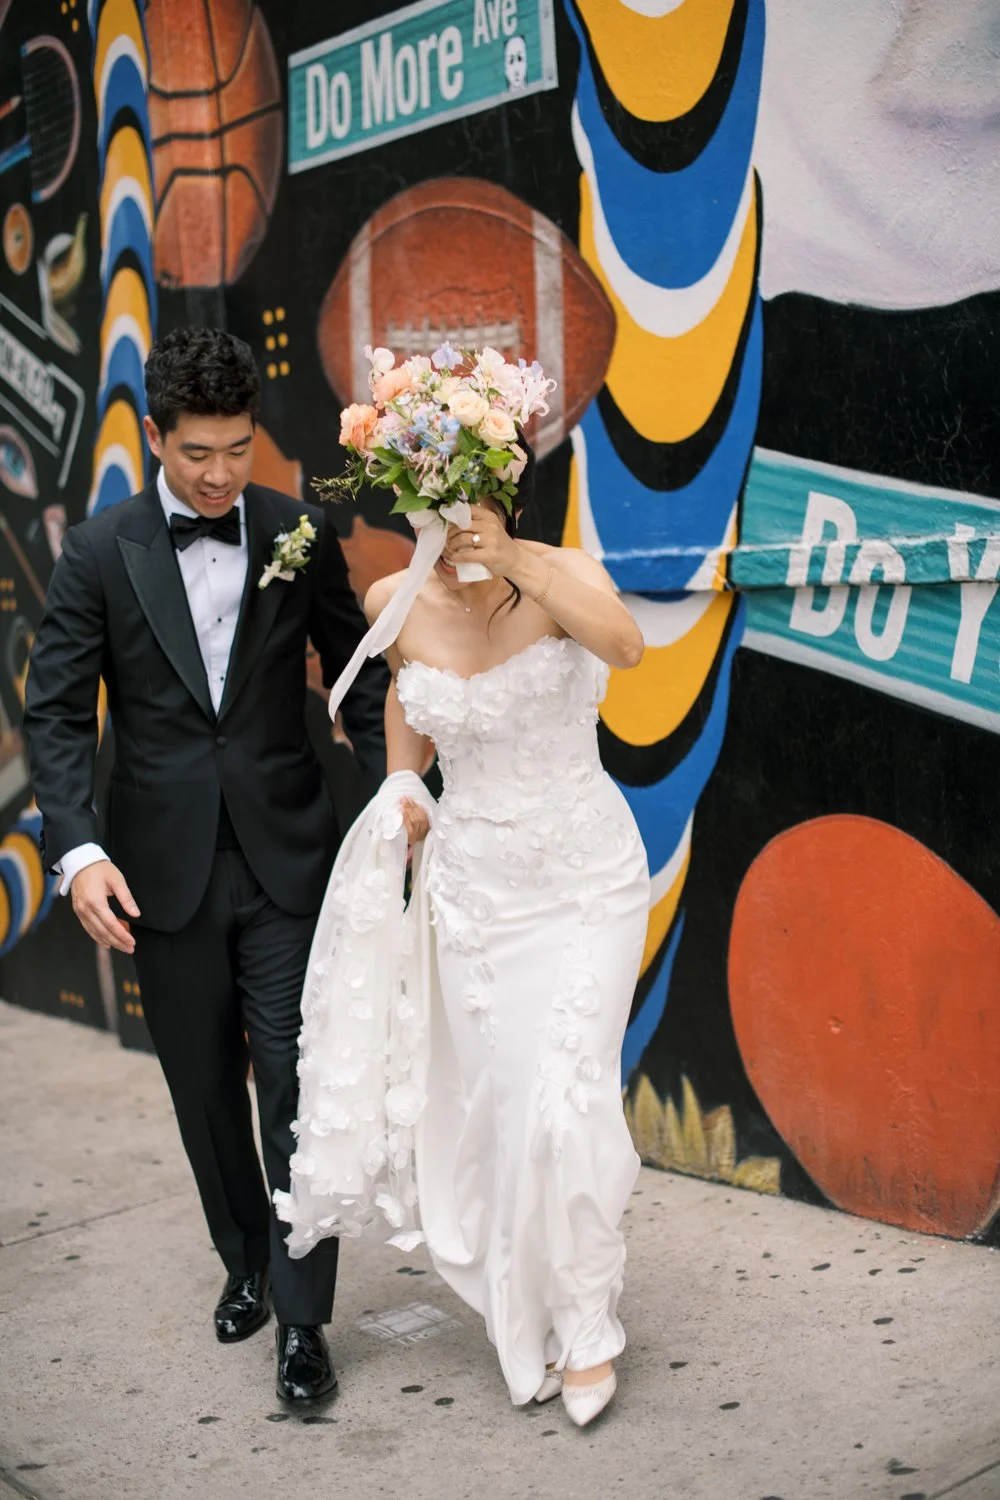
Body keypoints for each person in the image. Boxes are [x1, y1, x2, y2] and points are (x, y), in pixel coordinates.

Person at [23, 327, 388, 1407]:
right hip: (158, 873)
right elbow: (53, 714)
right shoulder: (98, 552)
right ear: (155, 438)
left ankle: (304, 1320)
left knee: (292, 1082)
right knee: (204, 1091)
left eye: (237, 450)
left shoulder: (299, 531)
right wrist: (78, 849)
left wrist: (401, 799)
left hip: (288, 857)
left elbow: (358, 684)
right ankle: (243, 1261)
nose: (221, 475)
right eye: (197, 454)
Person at [278, 452, 650, 1427]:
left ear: (502, 502)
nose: (441, 537)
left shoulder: (562, 576)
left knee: (566, 1101)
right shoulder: (393, 594)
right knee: (500, 1115)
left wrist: (521, 561)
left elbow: (624, 647)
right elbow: (409, 700)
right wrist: (403, 783)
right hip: (474, 893)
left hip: (584, 878)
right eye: (422, 514)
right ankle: (527, 1310)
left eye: (461, 513)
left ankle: (588, 1326)